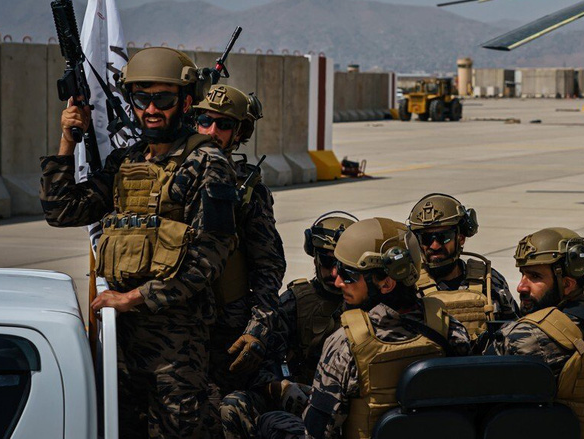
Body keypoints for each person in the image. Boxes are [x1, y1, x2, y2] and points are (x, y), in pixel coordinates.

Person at [40, 47, 237, 438]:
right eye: (141, 98)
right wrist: (67, 141)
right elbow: (62, 211)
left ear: (185, 102)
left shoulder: (208, 163)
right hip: (120, 344)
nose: (150, 109)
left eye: (162, 99)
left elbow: (207, 260)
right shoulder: (125, 161)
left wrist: (132, 299)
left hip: (176, 350)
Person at [256, 217, 471, 439]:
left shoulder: (346, 344)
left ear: (386, 283)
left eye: (348, 275)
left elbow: (316, 432)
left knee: (269, 421)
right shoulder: (447, 328)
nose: (338, 282)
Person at [485, 227, 584, 439]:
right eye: (522, 274)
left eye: (534, 276)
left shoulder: (524, 335)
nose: (521, 287)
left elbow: (485, 410)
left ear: (567, 284)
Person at [220, 212, 354, 439]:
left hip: (344, 405)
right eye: (327, 261)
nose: (334, 273)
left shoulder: (367, 301)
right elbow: (259, 366)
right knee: (233, 406)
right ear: (315, 257)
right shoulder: (294, 303)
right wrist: (279, 388)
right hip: (298, 403)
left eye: (341, 265)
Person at [194, 84, 287, 400]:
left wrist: (257, 329)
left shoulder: (248, 192)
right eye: (205, 121)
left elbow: (269, 266)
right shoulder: (171, 178)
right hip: (174, 331)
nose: (212, 131)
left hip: (225, 334)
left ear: (239, 133)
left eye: (224, 124)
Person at [406, 193, 518, 339]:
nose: (434, 246)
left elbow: (516, 332)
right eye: (426, 238)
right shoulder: (409, 287)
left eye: (443, 237)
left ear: (461, 238)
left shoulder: (489, 281)